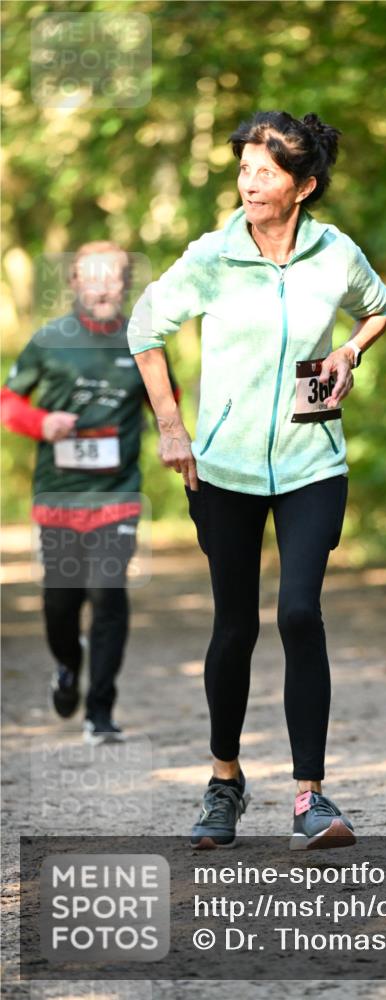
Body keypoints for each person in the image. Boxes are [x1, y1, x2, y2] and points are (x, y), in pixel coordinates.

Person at [127, 110, 386, 850]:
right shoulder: (212, 256)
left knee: (299, 613)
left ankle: (310, 797)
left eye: (266, 171)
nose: (249, 181)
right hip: (225, 469)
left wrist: (348, 353)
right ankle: (224, 782)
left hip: (312, 461)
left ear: (303, 186)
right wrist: (173, 428)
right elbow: (143, 331)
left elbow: (377, 309)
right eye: (243, 167)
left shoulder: (335, 254)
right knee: (234, 626)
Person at [1, 241, 180, 744]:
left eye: (114, 277)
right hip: (58, 497)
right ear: (75, 284)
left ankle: (100, 712)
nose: (103, 286)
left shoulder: (142, 341)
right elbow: (7, 401)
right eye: (92, 277)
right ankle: (65, 664)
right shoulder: (50, 341)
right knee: (60, 603)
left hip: (117, 496)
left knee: (108, 594)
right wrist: (43, 423)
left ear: (126, 285)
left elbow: (169, 403)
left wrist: (179, 441)